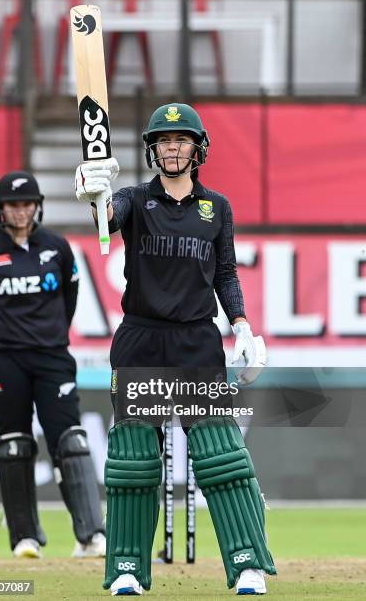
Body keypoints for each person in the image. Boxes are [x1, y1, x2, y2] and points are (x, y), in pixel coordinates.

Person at [75, 103, 276, 595]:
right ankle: (126, 568)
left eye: (181, 140)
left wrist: (243, 327)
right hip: (141, 340)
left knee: (220, 454)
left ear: (197, 148)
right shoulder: (134, 200)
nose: (172, 148)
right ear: (152, 149)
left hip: (196, 341)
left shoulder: (217, 208)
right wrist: (96, 194)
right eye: (164, 141)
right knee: (134, 459)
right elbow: (107, 219)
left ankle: (247, 563)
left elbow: (225, 273)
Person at [0, 171, 106, 559]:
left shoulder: (57, 248)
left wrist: (51, 333)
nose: (21, 211)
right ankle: (25, 537)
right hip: (5, 360)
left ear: (37, 206)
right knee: (14, 445)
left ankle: (90, 534)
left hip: (52, 358)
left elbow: (70, 296)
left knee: (71, 440)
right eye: (13, 205)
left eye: (26, 204)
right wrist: (0, 337)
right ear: (0, 209)